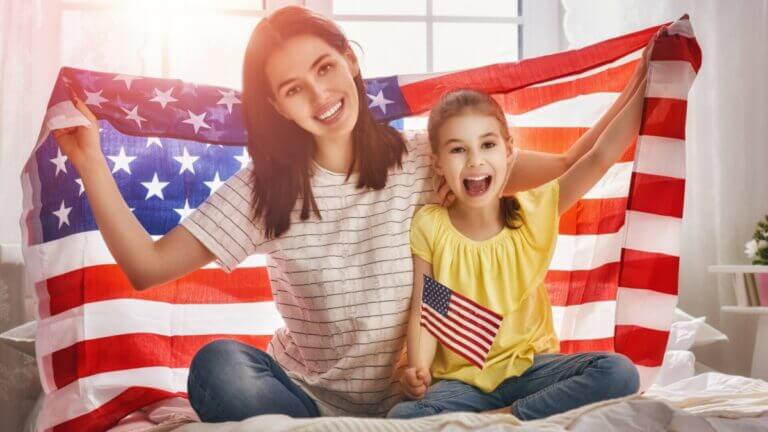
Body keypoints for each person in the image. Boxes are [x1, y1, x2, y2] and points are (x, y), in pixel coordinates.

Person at [52, 5, 649, 422]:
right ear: (277, 107)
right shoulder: (265, 189)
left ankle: (415, 420)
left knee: (603, 373)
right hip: (305, 395)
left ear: (350, 62)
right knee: (218, 368)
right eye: (292, 89)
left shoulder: (431, 159)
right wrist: (89, 163)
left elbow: (575, 162)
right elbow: (147, 265)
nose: (319, 96)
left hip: (428, 393)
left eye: (324, 68)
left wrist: (650, 72)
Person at [387, 85, 646, 420]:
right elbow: (429, 306)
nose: (475, 159)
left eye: (488, 144)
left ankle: (505, 416)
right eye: (457, 150)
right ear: (437, 163)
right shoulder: (431, 225)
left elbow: (598, 157)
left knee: (619, 372)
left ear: (508, 151)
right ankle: (512, 417)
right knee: (401, 417)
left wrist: (648, 79)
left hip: (532, 372)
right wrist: (418, 369)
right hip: (462, 385)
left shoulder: (532, 213)